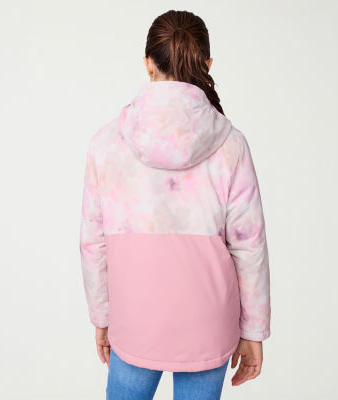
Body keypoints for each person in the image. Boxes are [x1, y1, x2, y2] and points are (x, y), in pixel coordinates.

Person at [79, 9, 271, 400]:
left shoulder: (106, 143)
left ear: (148, 64)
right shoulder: (231, 144)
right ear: (207, 65)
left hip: (135, 321)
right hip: (208, 323)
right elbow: (249, 245)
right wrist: (253, 331)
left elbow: (93, 243)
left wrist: (102, 316)